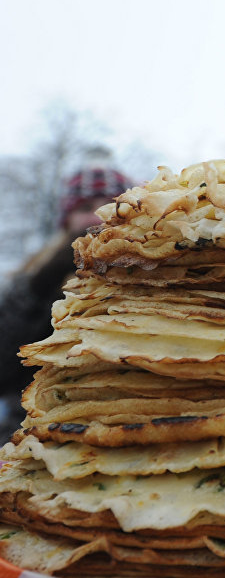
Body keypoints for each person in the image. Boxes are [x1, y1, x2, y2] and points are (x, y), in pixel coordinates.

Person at [0, 163, 133, 441]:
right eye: (84, 207)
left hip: (127, 424)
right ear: (67, 217)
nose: (95, 216)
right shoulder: (32, 278)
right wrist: (40, 286)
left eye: (109, 204)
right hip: (31, 429)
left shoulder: (156, 274)